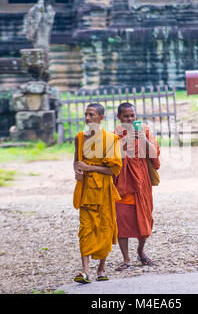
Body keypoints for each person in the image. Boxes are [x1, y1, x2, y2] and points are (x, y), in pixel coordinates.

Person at [72, 103, 122, 283]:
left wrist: (89, 167)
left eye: (91, 115)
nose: (87, 118)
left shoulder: (111, 139)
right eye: (85, 114)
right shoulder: (79, 138)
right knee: (85, 229)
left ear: (101, 118)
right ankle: (85, 271)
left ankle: (101, 268)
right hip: (85, 191)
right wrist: (78, 171)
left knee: (105, 227)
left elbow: (113, 171)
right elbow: (76, 162)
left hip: (104, 192)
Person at [113, 102, 160, 271]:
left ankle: (141, 251)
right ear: (119, 118)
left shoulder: (145, 131)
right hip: (123, 184)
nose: (130, 119)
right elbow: (113, 156)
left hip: (142, 183)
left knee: (145, 220)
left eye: (132, 116)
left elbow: (154, 154)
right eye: (126, 116)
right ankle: (126, 259)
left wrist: (143, 138)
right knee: (122, 222)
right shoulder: (114, 135)